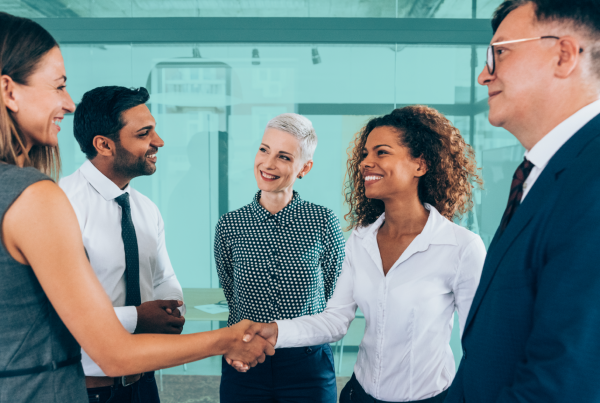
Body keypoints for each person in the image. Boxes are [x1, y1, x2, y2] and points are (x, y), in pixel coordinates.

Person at [0, 12, 273, 403]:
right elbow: (112, 353)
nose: (68, 102)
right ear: (10, 91)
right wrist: (228, 339)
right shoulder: (39, 197)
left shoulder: (142, 207)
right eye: (58, 86)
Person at [234, 106, 487, 403]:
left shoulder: (461, 247)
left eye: (381, 153)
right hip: (358, 396)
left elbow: (480, 346)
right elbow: (335, 320)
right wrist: (273, 330)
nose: (366, 162)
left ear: (421, 164)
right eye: (365, 154)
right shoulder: (360, 240)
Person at [440, 1, 600, 402]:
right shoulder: (550, 171)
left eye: (500, 53)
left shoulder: (592, 178)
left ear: (564, 55)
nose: (483, 75)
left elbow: (563, 382)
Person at [59, 86, 186, 403]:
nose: (159, 142)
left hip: (144, 384)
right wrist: (138, 318)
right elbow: (57, 313)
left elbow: (162, 276)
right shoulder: (60, 205)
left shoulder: (146, 208)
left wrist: (170, 306)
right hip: (89, 390)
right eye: (145, 134)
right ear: (103, 144)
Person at [216, 113, 345, 402]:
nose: (268, 164)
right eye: (264, 150)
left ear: (304, 167)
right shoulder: (230, 225)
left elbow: (333, 291)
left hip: (307, 365)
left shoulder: (323, 221)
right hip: (244, 363)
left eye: (284, 157)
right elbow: (232, 293)